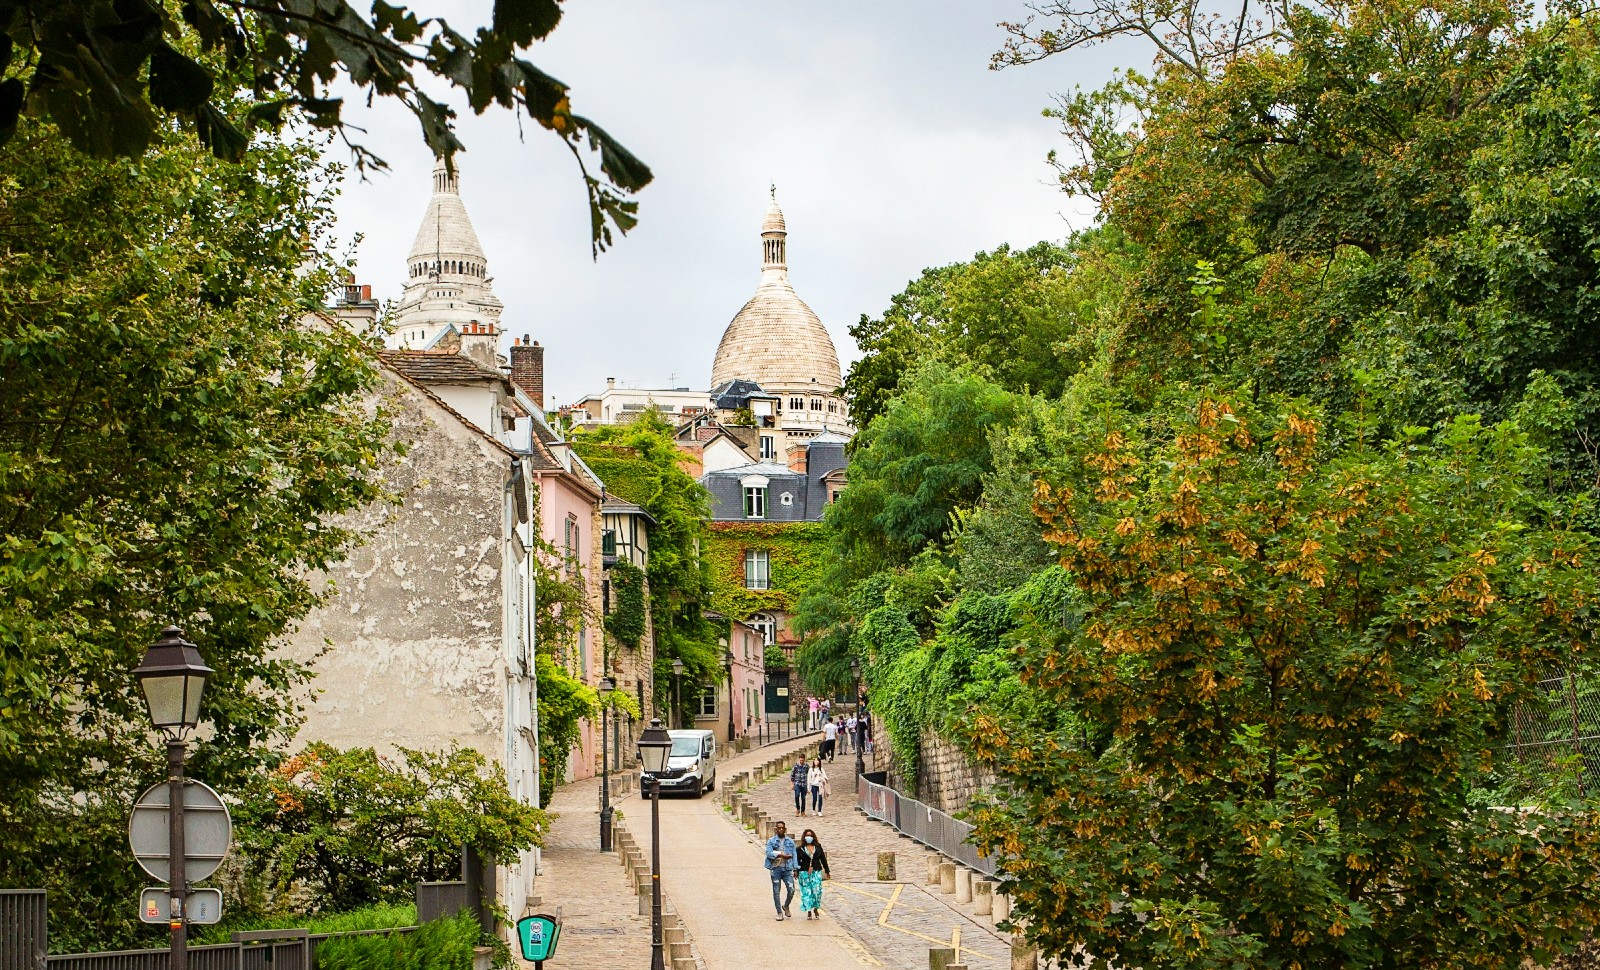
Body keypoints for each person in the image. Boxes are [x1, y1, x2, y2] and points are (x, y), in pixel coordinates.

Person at [765, 821, 798, 920]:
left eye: (782, 828)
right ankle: (779, 912)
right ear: (776, 829)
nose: (781, 829)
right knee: (776, 891)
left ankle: (786, 905)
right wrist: (780, 854)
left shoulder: (790, 842)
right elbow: (768, 853)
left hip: (787, 869)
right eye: (779, 828)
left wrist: (796, 868)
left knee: (791, 889)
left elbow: (794, 855)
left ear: (785, 829)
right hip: (776, 869)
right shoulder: (771, 841)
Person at [796, 828, 831, 919]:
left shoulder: (818, 847)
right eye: (807, 835)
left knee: (816, 891)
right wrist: (796, 871)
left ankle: (816, 908)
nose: (809, 837)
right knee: (806, 892)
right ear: (804, 837)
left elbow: (823, 859)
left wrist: (827, 870)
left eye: (810, 835)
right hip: (804, 872)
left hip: (816, 871)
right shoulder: (800, 849)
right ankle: (808, 911)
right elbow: (797, 861)